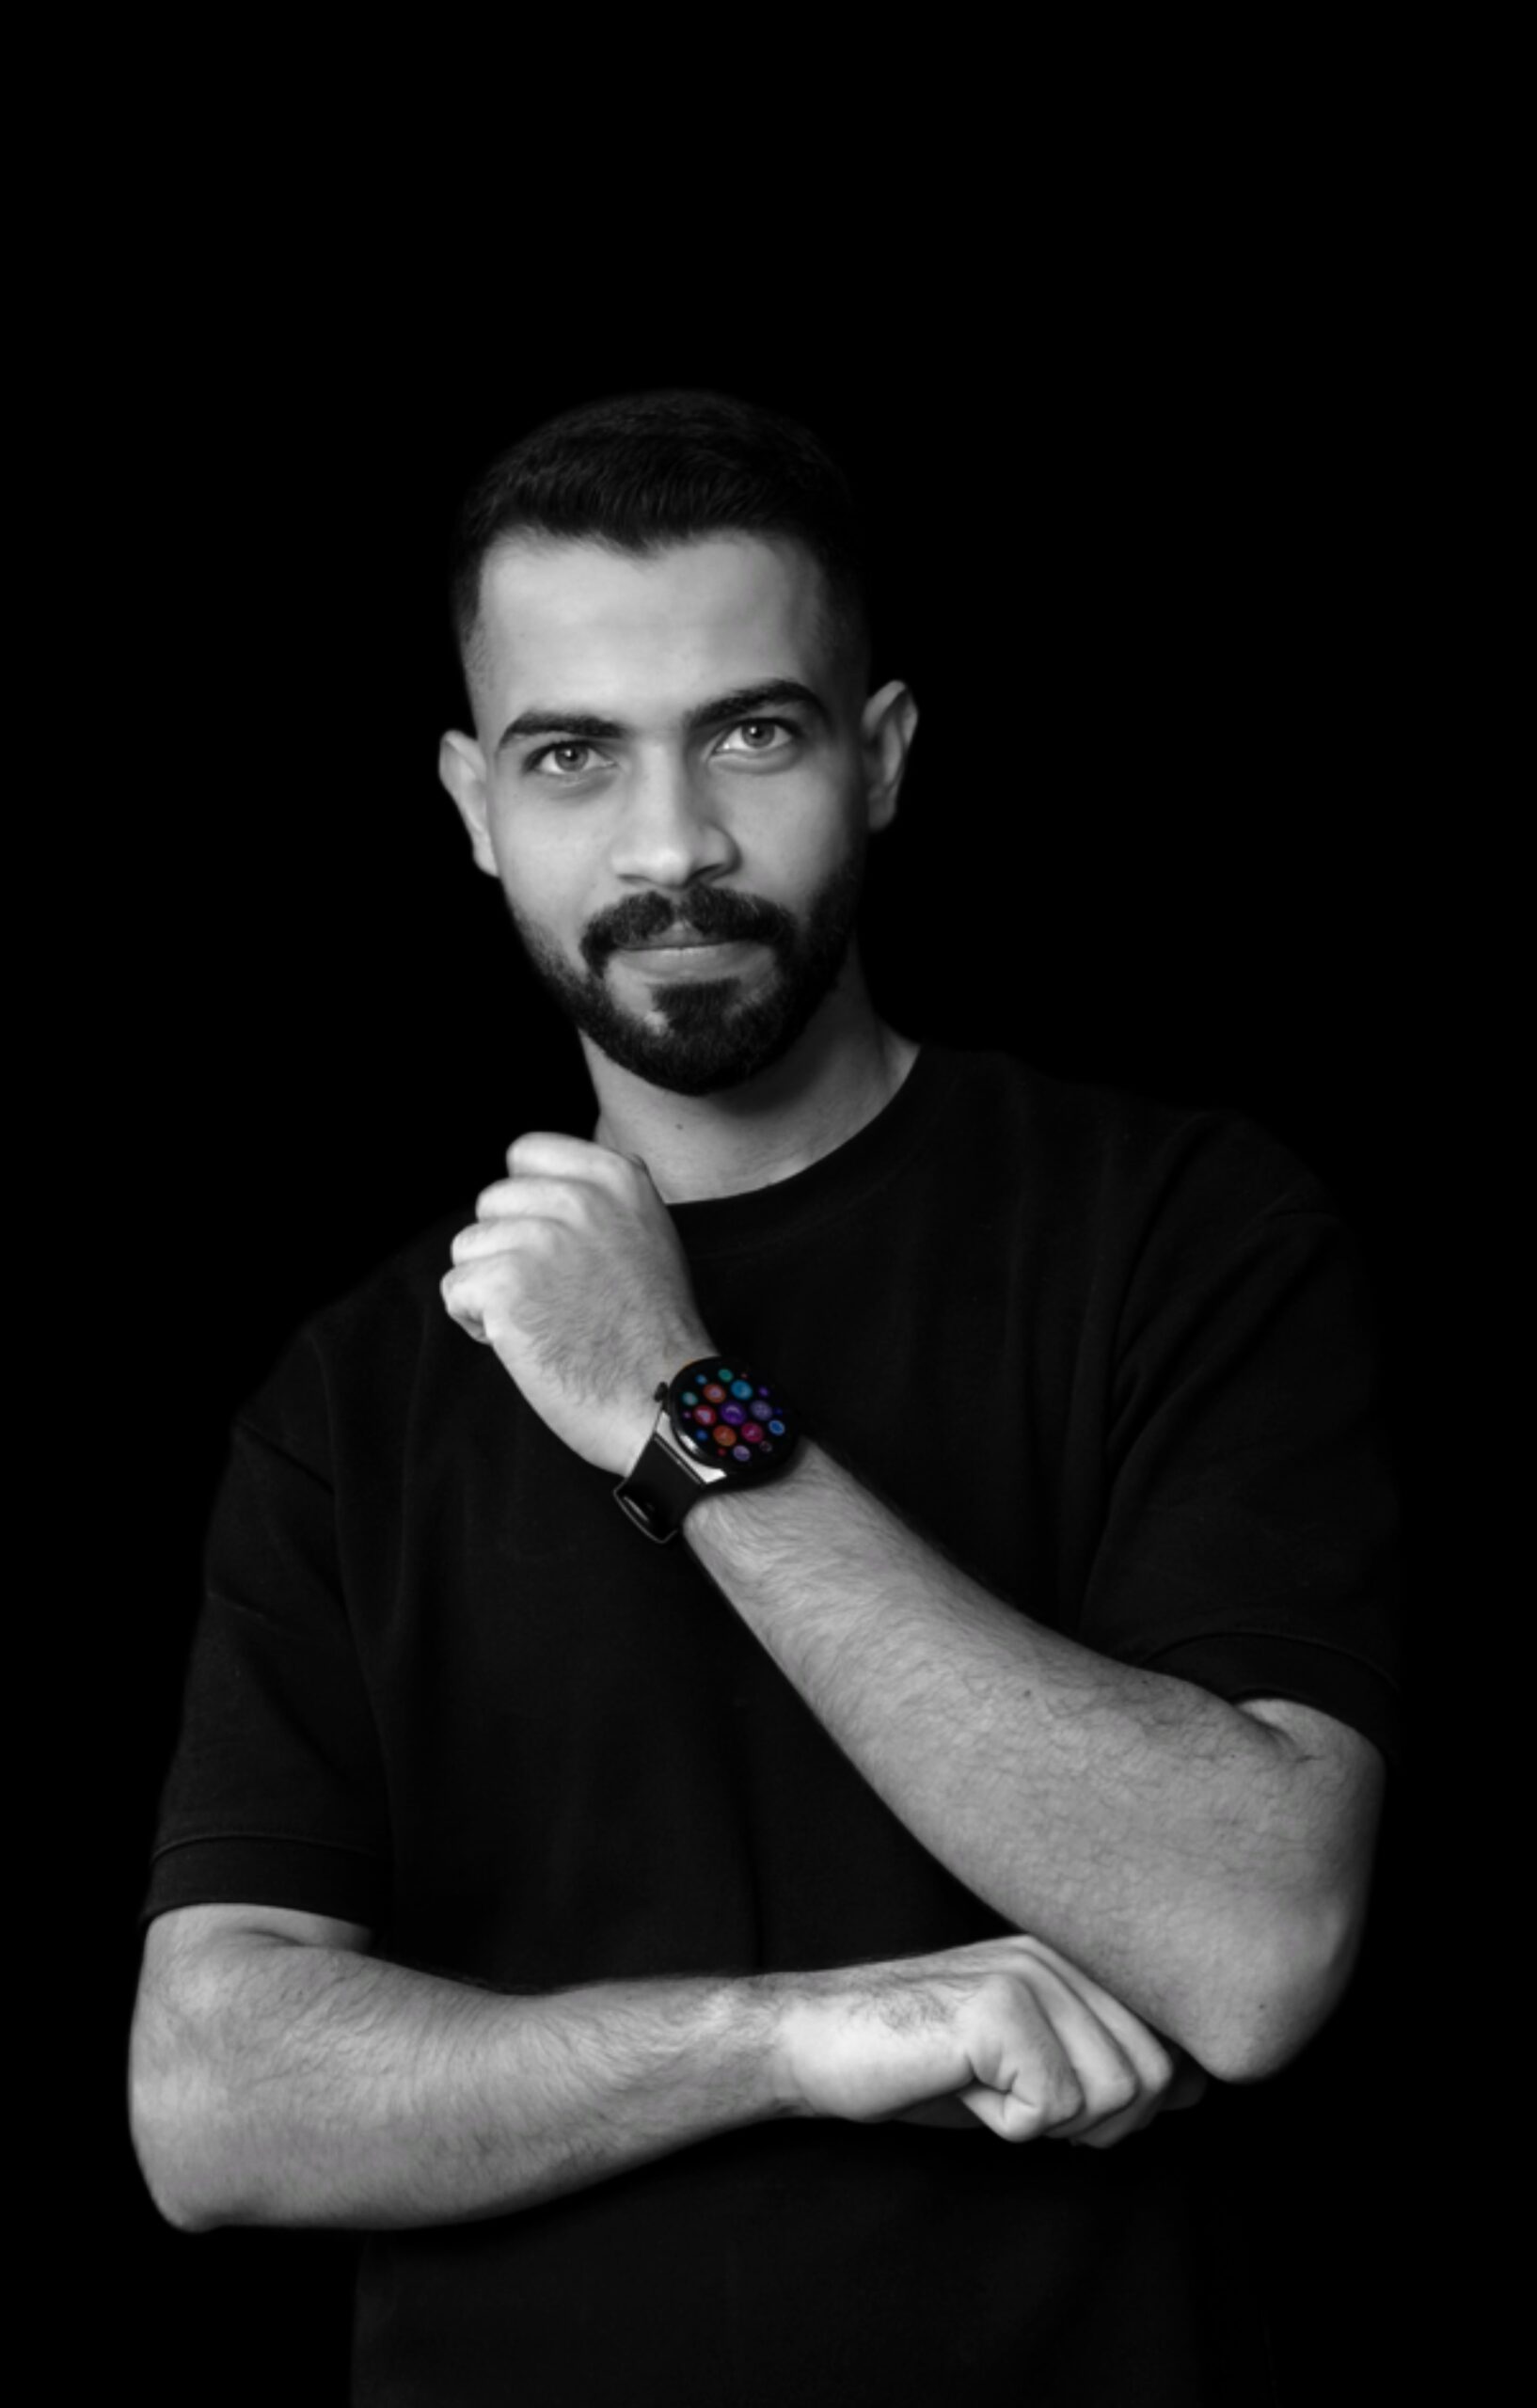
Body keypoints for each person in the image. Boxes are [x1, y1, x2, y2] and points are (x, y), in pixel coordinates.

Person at [130, 389, 1401, 2405]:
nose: (673, 846)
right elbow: (208, 2103)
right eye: (572, 754)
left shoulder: (1180, 1231)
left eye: (751, 732)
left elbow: (1249, 1942)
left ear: (878, 757)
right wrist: (787, 2040)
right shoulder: (351, 1391)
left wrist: (674, 1396)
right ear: (472, 804)